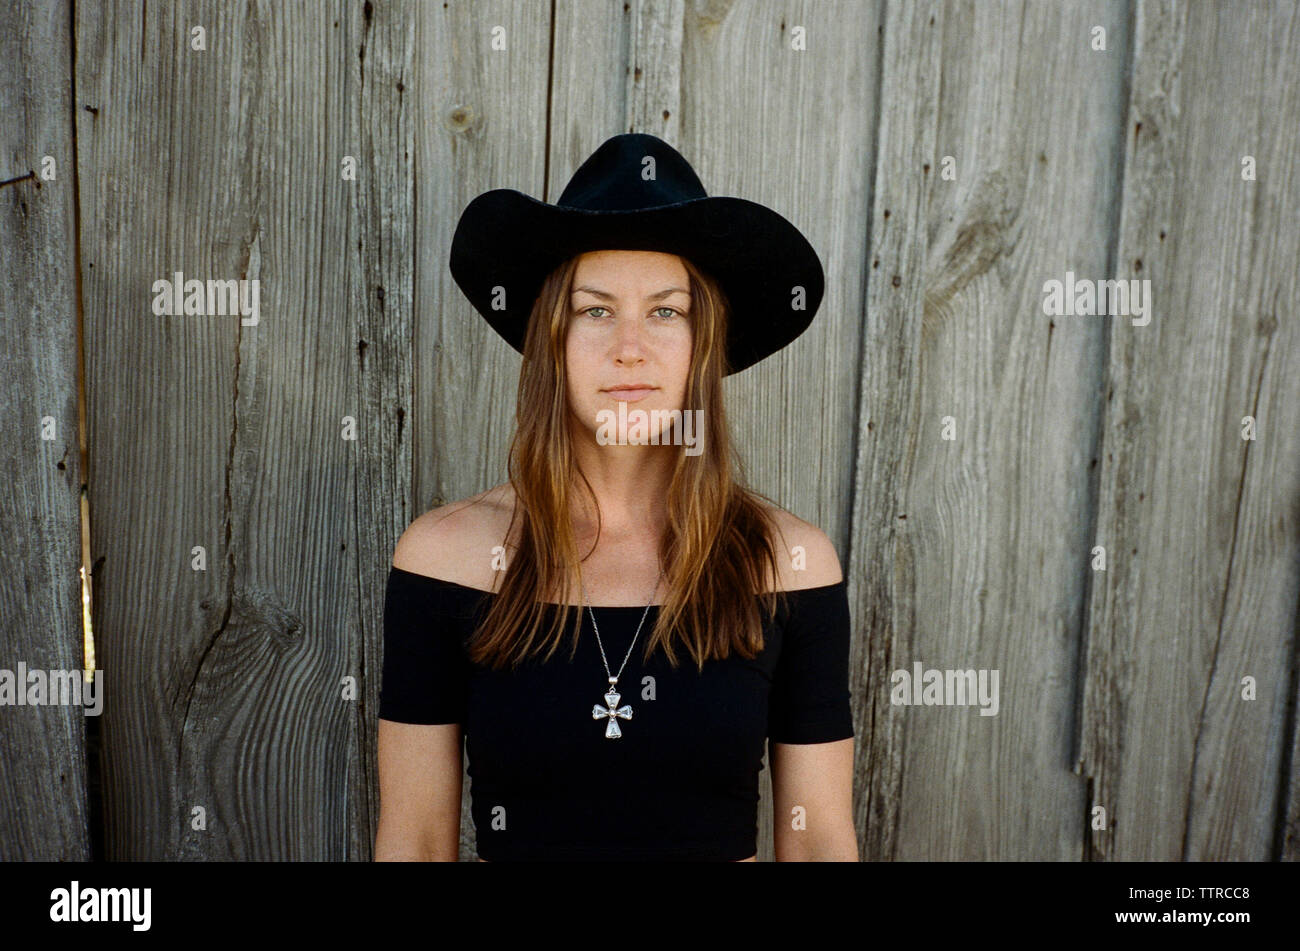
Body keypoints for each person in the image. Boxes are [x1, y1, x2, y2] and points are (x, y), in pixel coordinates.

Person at [374, 133, 856, 861]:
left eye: (666, 311)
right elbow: (415, 840)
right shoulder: (445, 558)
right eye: (596, 310)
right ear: (552, 338)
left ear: (704, 341)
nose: (630, 346)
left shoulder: (787, 563)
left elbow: (819, 839)